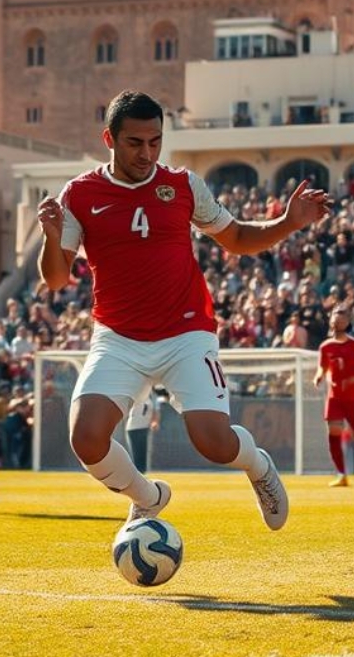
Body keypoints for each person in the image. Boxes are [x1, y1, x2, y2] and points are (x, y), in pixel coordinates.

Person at [36, 90, 325, 531]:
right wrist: (51, 236)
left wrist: (288, 223)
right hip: (117, 338)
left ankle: (258, 466)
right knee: (87, 438)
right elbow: (55, 278)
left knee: (213, 441)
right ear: (109, 139)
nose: (147, 153)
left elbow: (238, 239)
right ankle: (147, 497)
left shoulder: (185, 185)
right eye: (135, 142)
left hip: (186, 333)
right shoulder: (80, 192)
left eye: (155, 141)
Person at [312, 304, 354, 487]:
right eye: (335, 315)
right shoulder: (325, 347)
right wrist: (318, 375)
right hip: (335, 396)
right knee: (334, 431)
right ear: (331, 319)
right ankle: (342, 475)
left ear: (348, 321)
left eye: (342, 315)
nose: (337, 318)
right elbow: (323, 366)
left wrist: (352, 380)